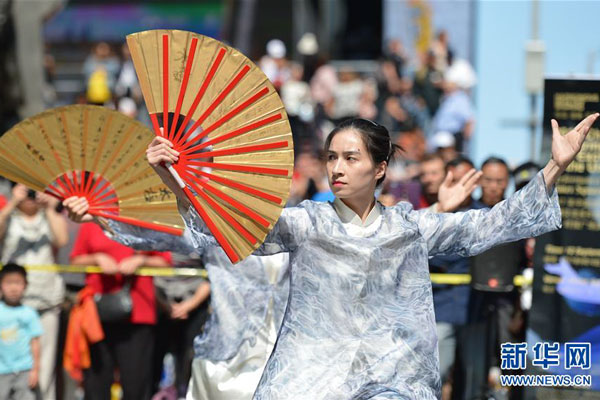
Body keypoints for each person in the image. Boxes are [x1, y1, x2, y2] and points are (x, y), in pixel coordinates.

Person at [144, 113, 594, 398]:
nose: (337, 167)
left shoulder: (409, 227)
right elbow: (235, 229)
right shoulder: (307, 222)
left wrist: (555, 166)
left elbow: (492, 225)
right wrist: (174, 179)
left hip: (391, 377)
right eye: (331, 157)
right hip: (309, 377)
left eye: (350, 157)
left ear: (379, 168)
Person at [69, 221, 171, 400]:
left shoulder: (144, 221)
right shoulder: (92, 222)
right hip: (96, 314)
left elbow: (165, 262)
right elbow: (75, 259)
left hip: (138, 314)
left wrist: (141, 260)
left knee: (136, 382)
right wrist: (97, 258)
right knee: (96, 381)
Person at [0, 184, 68, 400]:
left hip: (46, 301)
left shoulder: (47, 216)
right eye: (24, 188)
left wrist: (49, 207)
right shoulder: (9, 215)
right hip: (13, 305)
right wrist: (12, 203)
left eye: (33, 188)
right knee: (9, 364)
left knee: (45, 367)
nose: (30, 194)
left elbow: (62, 240)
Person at [0, 263, 43, 400]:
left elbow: (35, 342)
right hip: (2, 371)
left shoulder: (29, 313)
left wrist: (35, 370)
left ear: (25, 285)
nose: (13, 288)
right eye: (8, 283)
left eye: (18, 283)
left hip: (24, 370)